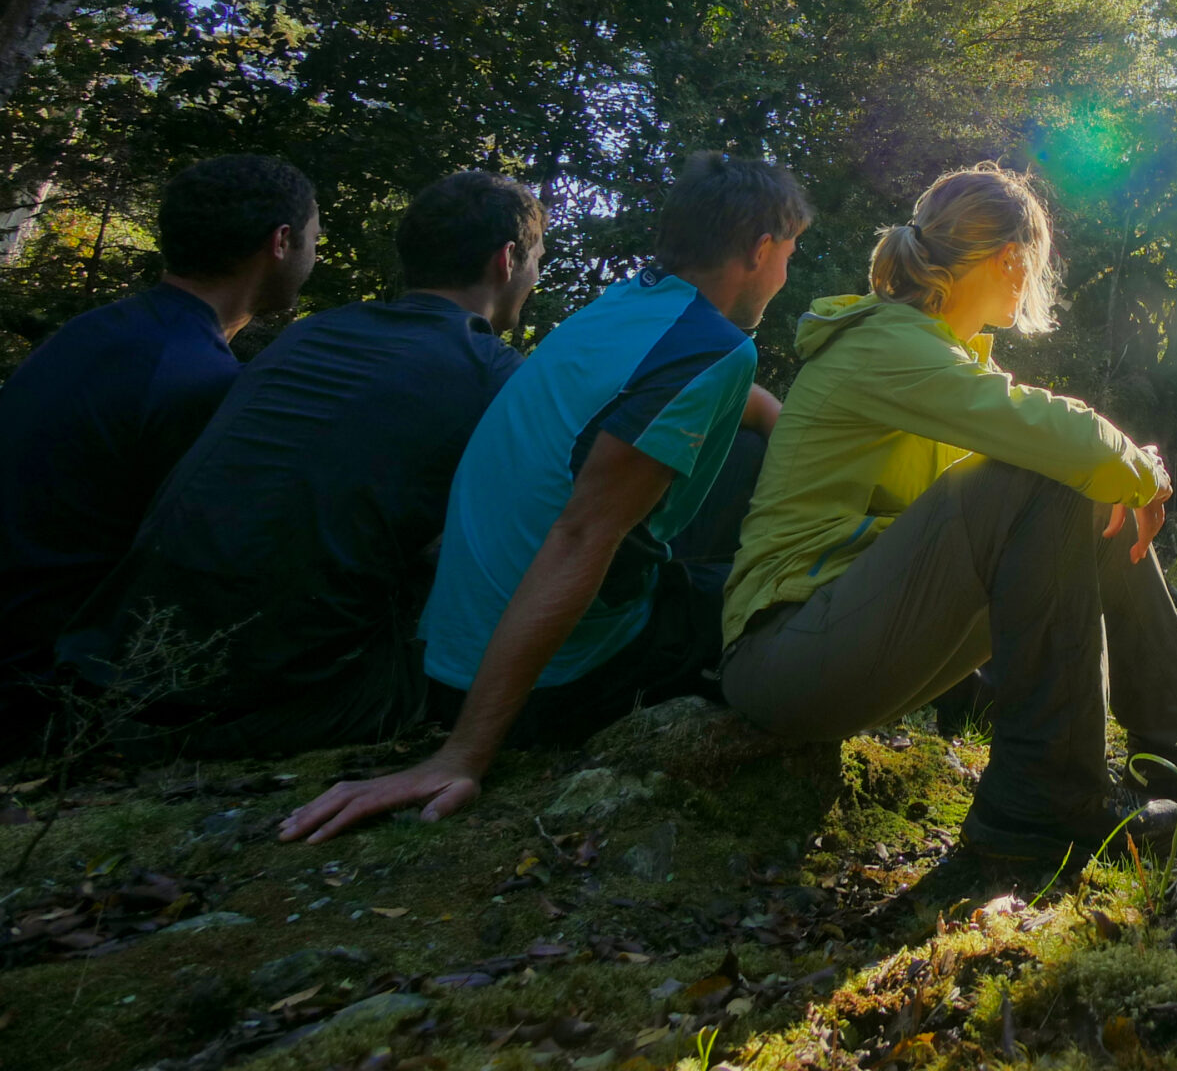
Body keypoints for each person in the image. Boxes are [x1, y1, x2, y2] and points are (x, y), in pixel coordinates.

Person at [716, 162, 1177, 869]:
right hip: (787, 654)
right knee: (1050, 473)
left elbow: (1050, 447)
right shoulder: (883, 345)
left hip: (849, 635)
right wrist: (1141, 472)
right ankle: (1040, 802)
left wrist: (1115, 475)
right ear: (1009, 261)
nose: (1032, 282)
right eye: (1032, 265)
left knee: (1077, 489)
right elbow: (1046, 434)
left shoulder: (939, 358)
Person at [280, 153, 806, 843]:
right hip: (553, 679)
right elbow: (582, 536)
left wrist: (784, 424)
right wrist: (464, 755)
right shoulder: (712, 351)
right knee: (795, 597)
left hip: (449, 645)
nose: (787, 273)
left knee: (739, 458)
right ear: (762, 248)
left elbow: (723, 401)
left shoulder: (628, 305)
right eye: (790, 254)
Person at [59, 171, 545, 756]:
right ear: (508, 258)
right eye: (537, 258)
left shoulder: (314, 334)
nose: (535, 278)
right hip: (280, 705)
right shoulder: (493, 373)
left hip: (115, 669)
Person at [0, 155, 319, 709]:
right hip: (42, 682)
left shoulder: (97, 332)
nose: (314, 254)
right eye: (315, 238)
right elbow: (220, 559)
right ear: (281, 241)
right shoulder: (193, 378)